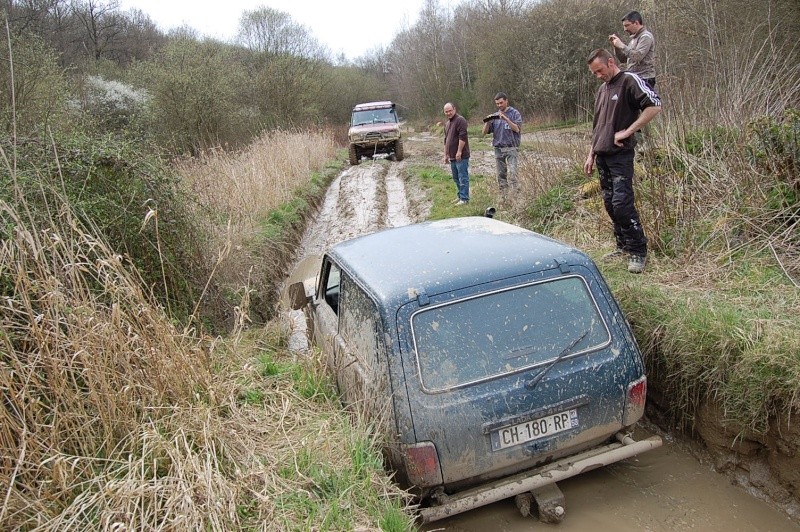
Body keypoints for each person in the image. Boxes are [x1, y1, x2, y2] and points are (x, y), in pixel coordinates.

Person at [583, 48, 661, 274]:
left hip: (621, 155)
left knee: (622, 204)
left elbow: (654, 105)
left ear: (610, 62)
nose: (598, 75)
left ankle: (638, 250)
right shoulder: (601, 90)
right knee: (609, 203)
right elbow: (597, 126)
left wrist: (628, 131)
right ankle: (623, 246)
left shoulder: (629, 80)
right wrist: (591, 154)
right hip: (602, 154)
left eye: (600, 70)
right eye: (594, 73)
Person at [482, 92, 522, 198]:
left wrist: (506, 119)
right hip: (498, 148)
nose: (499, 105)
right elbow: (484, 132)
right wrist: (487, 122)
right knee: (501, 175)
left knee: (513, 173)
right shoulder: (495, 116)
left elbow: (517, 129)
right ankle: (504, 197)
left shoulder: (515, 113)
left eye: (501, 103)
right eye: (497, 104)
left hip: (511, 147)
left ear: (506, 101)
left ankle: (516, 196)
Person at [609, 11, 656, 90]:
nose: (625, 29)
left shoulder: (646, 37)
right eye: (624, 26)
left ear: (636, 23)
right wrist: (616, 47)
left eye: (627, 25)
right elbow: (624, 59)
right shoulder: (634, 39)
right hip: (635, 78)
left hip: (645, 79)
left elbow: (637, 57)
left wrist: (623, 46)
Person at [443, 102, 470, 205]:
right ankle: (460, 196)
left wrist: (459, 151)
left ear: (454, 109)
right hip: (452, 156)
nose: (448, 113)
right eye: (446, 111)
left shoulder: (460, 120)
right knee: (456, 177)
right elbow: (446, 140)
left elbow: (462, 137)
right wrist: (445, 154)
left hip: (461, 156)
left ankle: (464, 198)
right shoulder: (447, 124)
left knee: (463, 176)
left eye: (450, 110)